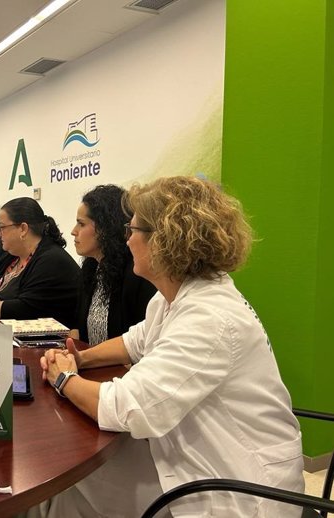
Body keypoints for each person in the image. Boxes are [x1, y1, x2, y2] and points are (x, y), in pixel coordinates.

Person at [38, 176, 303, 517]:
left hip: (237, 486)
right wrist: (80, 359)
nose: (127, 239)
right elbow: (135, 341)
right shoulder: (177, 297)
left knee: (68, 484)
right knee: (67, 483)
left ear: (164, 241)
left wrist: (63, 378)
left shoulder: (210, 317)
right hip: (198, 455)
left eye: (132, 230)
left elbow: (126, 408)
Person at [0, 197, 81, 329]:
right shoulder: (11, 257)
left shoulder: (51, 259)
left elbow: (24, 309)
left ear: (23, 229)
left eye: (2, 227)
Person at [73, 185, 156, 345]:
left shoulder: (136, 273)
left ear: (105, 228)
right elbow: (79, 330)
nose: (73, 231)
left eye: (81, 224)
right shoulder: (92, 268)